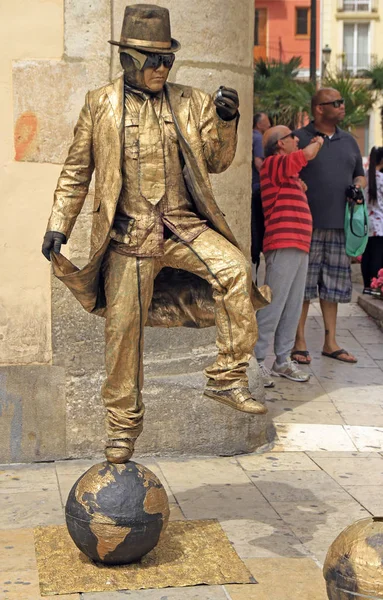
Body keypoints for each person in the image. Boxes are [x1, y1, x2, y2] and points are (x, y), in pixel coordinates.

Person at [41, 4, 270, 465]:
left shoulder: (190, 101)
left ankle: (227, 375)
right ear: (128, 58)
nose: (163, 67)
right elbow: (76, 171)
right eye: (154, 60)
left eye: (168, 59)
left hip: (181, 225)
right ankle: (122, 430)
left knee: (233, 270)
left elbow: (217, 161)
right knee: (123, 336)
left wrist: (226, 120)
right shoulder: (99, 103)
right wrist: (58, 223)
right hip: (129, 235)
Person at [291, 88, 366, 365]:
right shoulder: (299, 138)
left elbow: (360, 174)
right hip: (305, 225)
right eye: (336, 103)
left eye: (342, 101)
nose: (342, 106)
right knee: (304, 287)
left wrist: (358, 186)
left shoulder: (349, 141)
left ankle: (330, 342)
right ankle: (299, 342)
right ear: (319, 109)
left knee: (332, 287)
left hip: (339, 225)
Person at [254, 126, 323, 386]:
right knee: (274, 303)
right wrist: (317, 144)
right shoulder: (273, 164)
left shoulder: (288, 172)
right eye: (291, 136)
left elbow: (298, 165)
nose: (296, 138)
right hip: (283, 243)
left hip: (298, 244)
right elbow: (306, 154)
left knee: (292, 306)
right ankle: (257, 360)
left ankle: (282, 360)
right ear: (280, 144)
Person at [251, 112, 271, 275]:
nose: (269, 125)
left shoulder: (249, 136)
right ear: (259, 124)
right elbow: (259, 162)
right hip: (257, 188)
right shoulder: (258, 138)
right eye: (267, 122)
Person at [361, 146, 383, 292]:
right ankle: (375, 285)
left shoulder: (363, 178)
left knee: (366, 255)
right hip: (380, 224)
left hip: (364, 224)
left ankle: (367, 287)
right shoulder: (381, 178)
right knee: (377, 256)